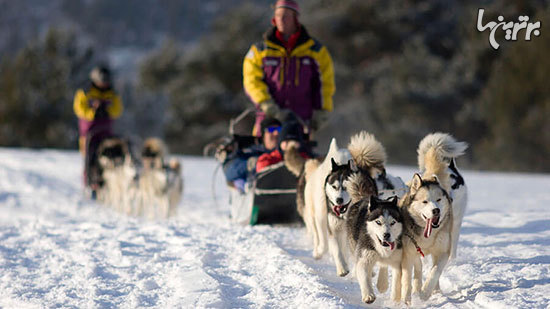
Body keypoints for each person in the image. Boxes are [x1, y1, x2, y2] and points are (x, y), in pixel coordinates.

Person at [243, 0, 335, 137]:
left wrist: (322, 112)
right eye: (278, 15)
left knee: (300, 157)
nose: (281, 19)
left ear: (295, 18)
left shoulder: (316, 51)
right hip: (269, 122)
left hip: (302, 123)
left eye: (285, 15)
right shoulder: (259, 51)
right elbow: (251, 81)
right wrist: (267, 105)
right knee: (265, 158)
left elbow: (325, 84)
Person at [73, 65, 123, 191]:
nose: (104, 84)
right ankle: (90, 183)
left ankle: (108, 184)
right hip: (89, 132)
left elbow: (118, 109)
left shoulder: (112, 93)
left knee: (110, 156)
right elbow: (79, 108)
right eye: (102, 81)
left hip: (106, 132)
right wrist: (92, 112)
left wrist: (107, 111)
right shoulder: (85, 91)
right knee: (90, 157)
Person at [222, 117, 282, 193]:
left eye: (279, 129)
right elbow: (229, 171)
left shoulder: (286, 151)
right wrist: (249, 164)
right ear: (263, 133)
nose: (276, 133)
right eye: (271, 130)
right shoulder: (251, 150)